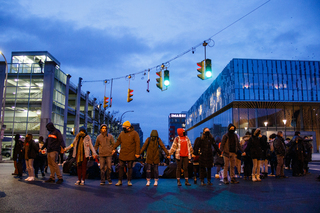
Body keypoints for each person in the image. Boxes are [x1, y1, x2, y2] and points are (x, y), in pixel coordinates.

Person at [112, 121, 140, 186]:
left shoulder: (135, 133)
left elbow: (137, 143)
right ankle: (120, 181)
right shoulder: (122, 133)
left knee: (130, 167)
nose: (123, 128)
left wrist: (137, 153)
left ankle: (129, 181)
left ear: (128, 127)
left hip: (131, 153)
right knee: (121, 167)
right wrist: (113, 148)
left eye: (124, 127)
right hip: (123, 153)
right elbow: (118, 141)